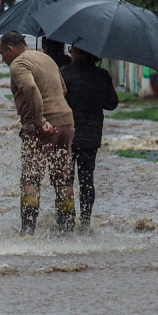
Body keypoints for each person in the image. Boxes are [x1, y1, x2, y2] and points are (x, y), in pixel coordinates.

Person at [0, 30, 76, 235]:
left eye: (2, 54)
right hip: (67, 123)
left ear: (10, 49)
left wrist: (40, 120)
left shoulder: (18, 64)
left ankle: (28, 232)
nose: (3, 59)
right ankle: (67, 231)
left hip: (41, 128)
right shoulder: (47, 58)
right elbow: (63, 90)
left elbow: (31, 89)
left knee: (30, 179)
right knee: (62, 178)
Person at [60, 45, 120, 232]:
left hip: (67, 134)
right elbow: (111, 104)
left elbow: (56, 100)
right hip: (91, 136)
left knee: (65, 180)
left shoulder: (64, 73)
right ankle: (85, 222)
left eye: (71, 49)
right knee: (87, 180)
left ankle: (66, 223)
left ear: (77, 52)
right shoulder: (102, 75)